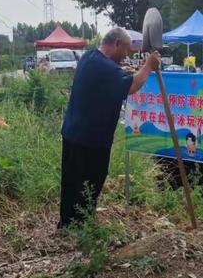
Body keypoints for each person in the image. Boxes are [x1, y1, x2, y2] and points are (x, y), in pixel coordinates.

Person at [59, 28, 160, 228]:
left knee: (72, 183)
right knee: (90, 182)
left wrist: (122, 72)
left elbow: (108, 77)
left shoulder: (90, 57)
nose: (126, 56)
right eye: (126, 51)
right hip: (90, 140)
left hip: (75, 133)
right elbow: (132, 86)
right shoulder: (105, 68)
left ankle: (70, 225)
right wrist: (148, 66)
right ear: (116, 44)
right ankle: (80, 226)